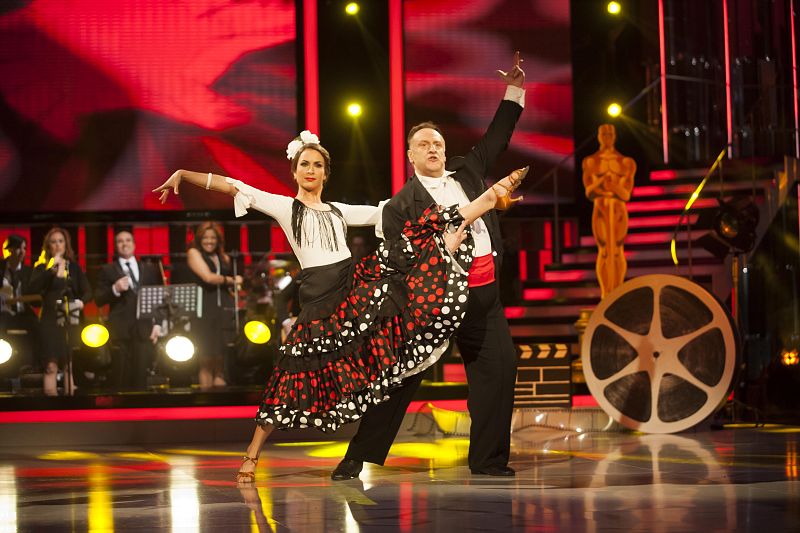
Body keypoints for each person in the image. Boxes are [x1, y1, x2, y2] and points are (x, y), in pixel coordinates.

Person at [153, 130, 527, 483]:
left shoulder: (338, 211)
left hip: (353, 293)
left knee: (403, 272)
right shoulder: (285, 207)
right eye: (304, 164)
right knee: (290, 378)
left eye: (317, 165)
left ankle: (480, 207)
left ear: (325, 173)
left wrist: (443, 216)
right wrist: (183, 175)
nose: (310, 170)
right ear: (294, 171)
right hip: (319, 302)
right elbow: (234, 186)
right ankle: (252, 453)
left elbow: (391, 212)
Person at [331, 52, 527, 479]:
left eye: (437, 143)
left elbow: (497, 137)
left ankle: (489, 460)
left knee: (500, 369)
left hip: (483, 297)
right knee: (398, 378)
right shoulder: (399, 206)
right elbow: (401, 261)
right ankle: (357, 455)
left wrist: (514, 91)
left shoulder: (468, 172)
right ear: (410, 155)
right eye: (424, 144)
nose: (433, 148)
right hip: (430, 306)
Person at [94, 229, 163, 390]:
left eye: (128, 240)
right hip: (120, 330)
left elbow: (158, 298)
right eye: (120, 241)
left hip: (144, 329)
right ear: (115, 246)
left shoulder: (148, 268)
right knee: (121, 377)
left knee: (141, 377)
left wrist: (158, 324)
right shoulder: (108, 269)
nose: (124, 244)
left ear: (134, 244)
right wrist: (115, 289)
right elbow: (98, 299)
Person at [28, 227, 91, 395]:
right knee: (50, 366)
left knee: (68, 364)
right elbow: (32, 289)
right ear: (48, 246)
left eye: (60, 241)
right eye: (53, 242)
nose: (57, 245)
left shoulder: (74, 268)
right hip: (49, 321)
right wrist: (50, 271)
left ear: (66, 244)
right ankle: (51, 405)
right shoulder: (42, 268)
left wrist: (80, 302)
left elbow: (87, 292)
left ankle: (70, 405)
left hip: (69, 318)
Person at [182, 222, 242, 389]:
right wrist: (232, 280)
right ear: (199, 239)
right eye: (205, 238)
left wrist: (234, 287)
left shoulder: (223, 257)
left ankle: (220, 400)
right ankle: (206, 397)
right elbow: (208, 277)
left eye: (213, 238)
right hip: (205, 311)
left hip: (224, 309)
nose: (209, 241)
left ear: (218, 240)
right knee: (206, 358)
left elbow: (229, 283)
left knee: (221, 358)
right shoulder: (193, 253)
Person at [582, 123, 636, 298]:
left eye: (610, 134)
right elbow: (589, 192)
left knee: (618, 250)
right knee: (604, 250)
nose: (607, 137)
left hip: (618, 208)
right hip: (600, 207)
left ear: (614, 136)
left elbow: (626, 194)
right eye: (603, 134)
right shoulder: (591, 161)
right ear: (598, 136)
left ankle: (618, 292)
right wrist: (601, 182)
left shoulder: (626, 162)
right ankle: (605, 294)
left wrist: (612, 186)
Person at [0, 235, 40, 373]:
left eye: (24, 248)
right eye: (18, 248)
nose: (22, 252)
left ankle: (33, 364)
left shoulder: (28, 271)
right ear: (10, 249)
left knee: (38, 326)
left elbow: (36, 297)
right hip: (3, 312)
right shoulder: (1, 268)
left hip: (22, 312)